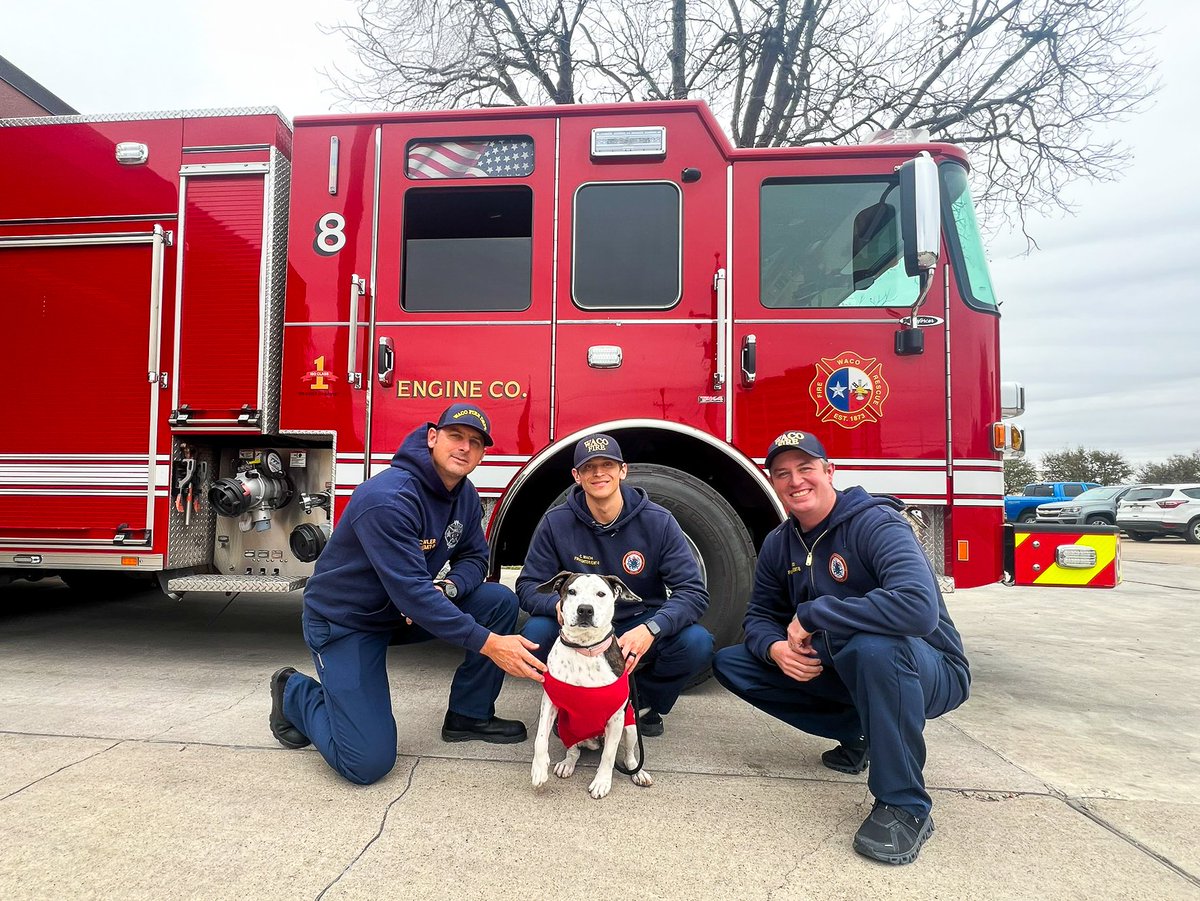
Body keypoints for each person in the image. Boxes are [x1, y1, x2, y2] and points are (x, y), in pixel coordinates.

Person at [712, 430, 970, 865]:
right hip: (848, 665)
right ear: (772, 483)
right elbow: (757, 617)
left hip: (928, 666)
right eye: (783, 474)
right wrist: (776, 648)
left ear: (830, 471)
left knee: (875, 647)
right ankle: (860, 733)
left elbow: (918, 609)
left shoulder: (876, 523)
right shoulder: (780, 542)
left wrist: (815, 614)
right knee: (733, 662)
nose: (796, 481)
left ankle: (904, 805)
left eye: (806, 469)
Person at [269, 403, 546, 785]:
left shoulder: (464, 496)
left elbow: (475, 558)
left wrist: (448, 587)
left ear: (482, 454)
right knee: (366, 764)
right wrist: (489, 644)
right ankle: (294, 692)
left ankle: (469, 715)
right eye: (455, 436)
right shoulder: (389, 498)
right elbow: (413, 593)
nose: (464, 448)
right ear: (432, 437)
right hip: (347, 622)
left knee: (499, 601)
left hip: (402, 611)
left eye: (475, 442)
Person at [517, 433, 714, 736]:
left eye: (607, 464)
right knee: (535, 633)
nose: (598, 473)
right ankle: (571, 705)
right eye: (588, 467)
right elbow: (528, 585)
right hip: (580, 627)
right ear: (576, 476)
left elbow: (692, 592)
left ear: (623, 470)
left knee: (697, 642)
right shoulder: (555, 522)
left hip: (636, 622)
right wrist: (556, 605)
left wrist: (652, 628)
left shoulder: (658, 522)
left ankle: (641, 704)